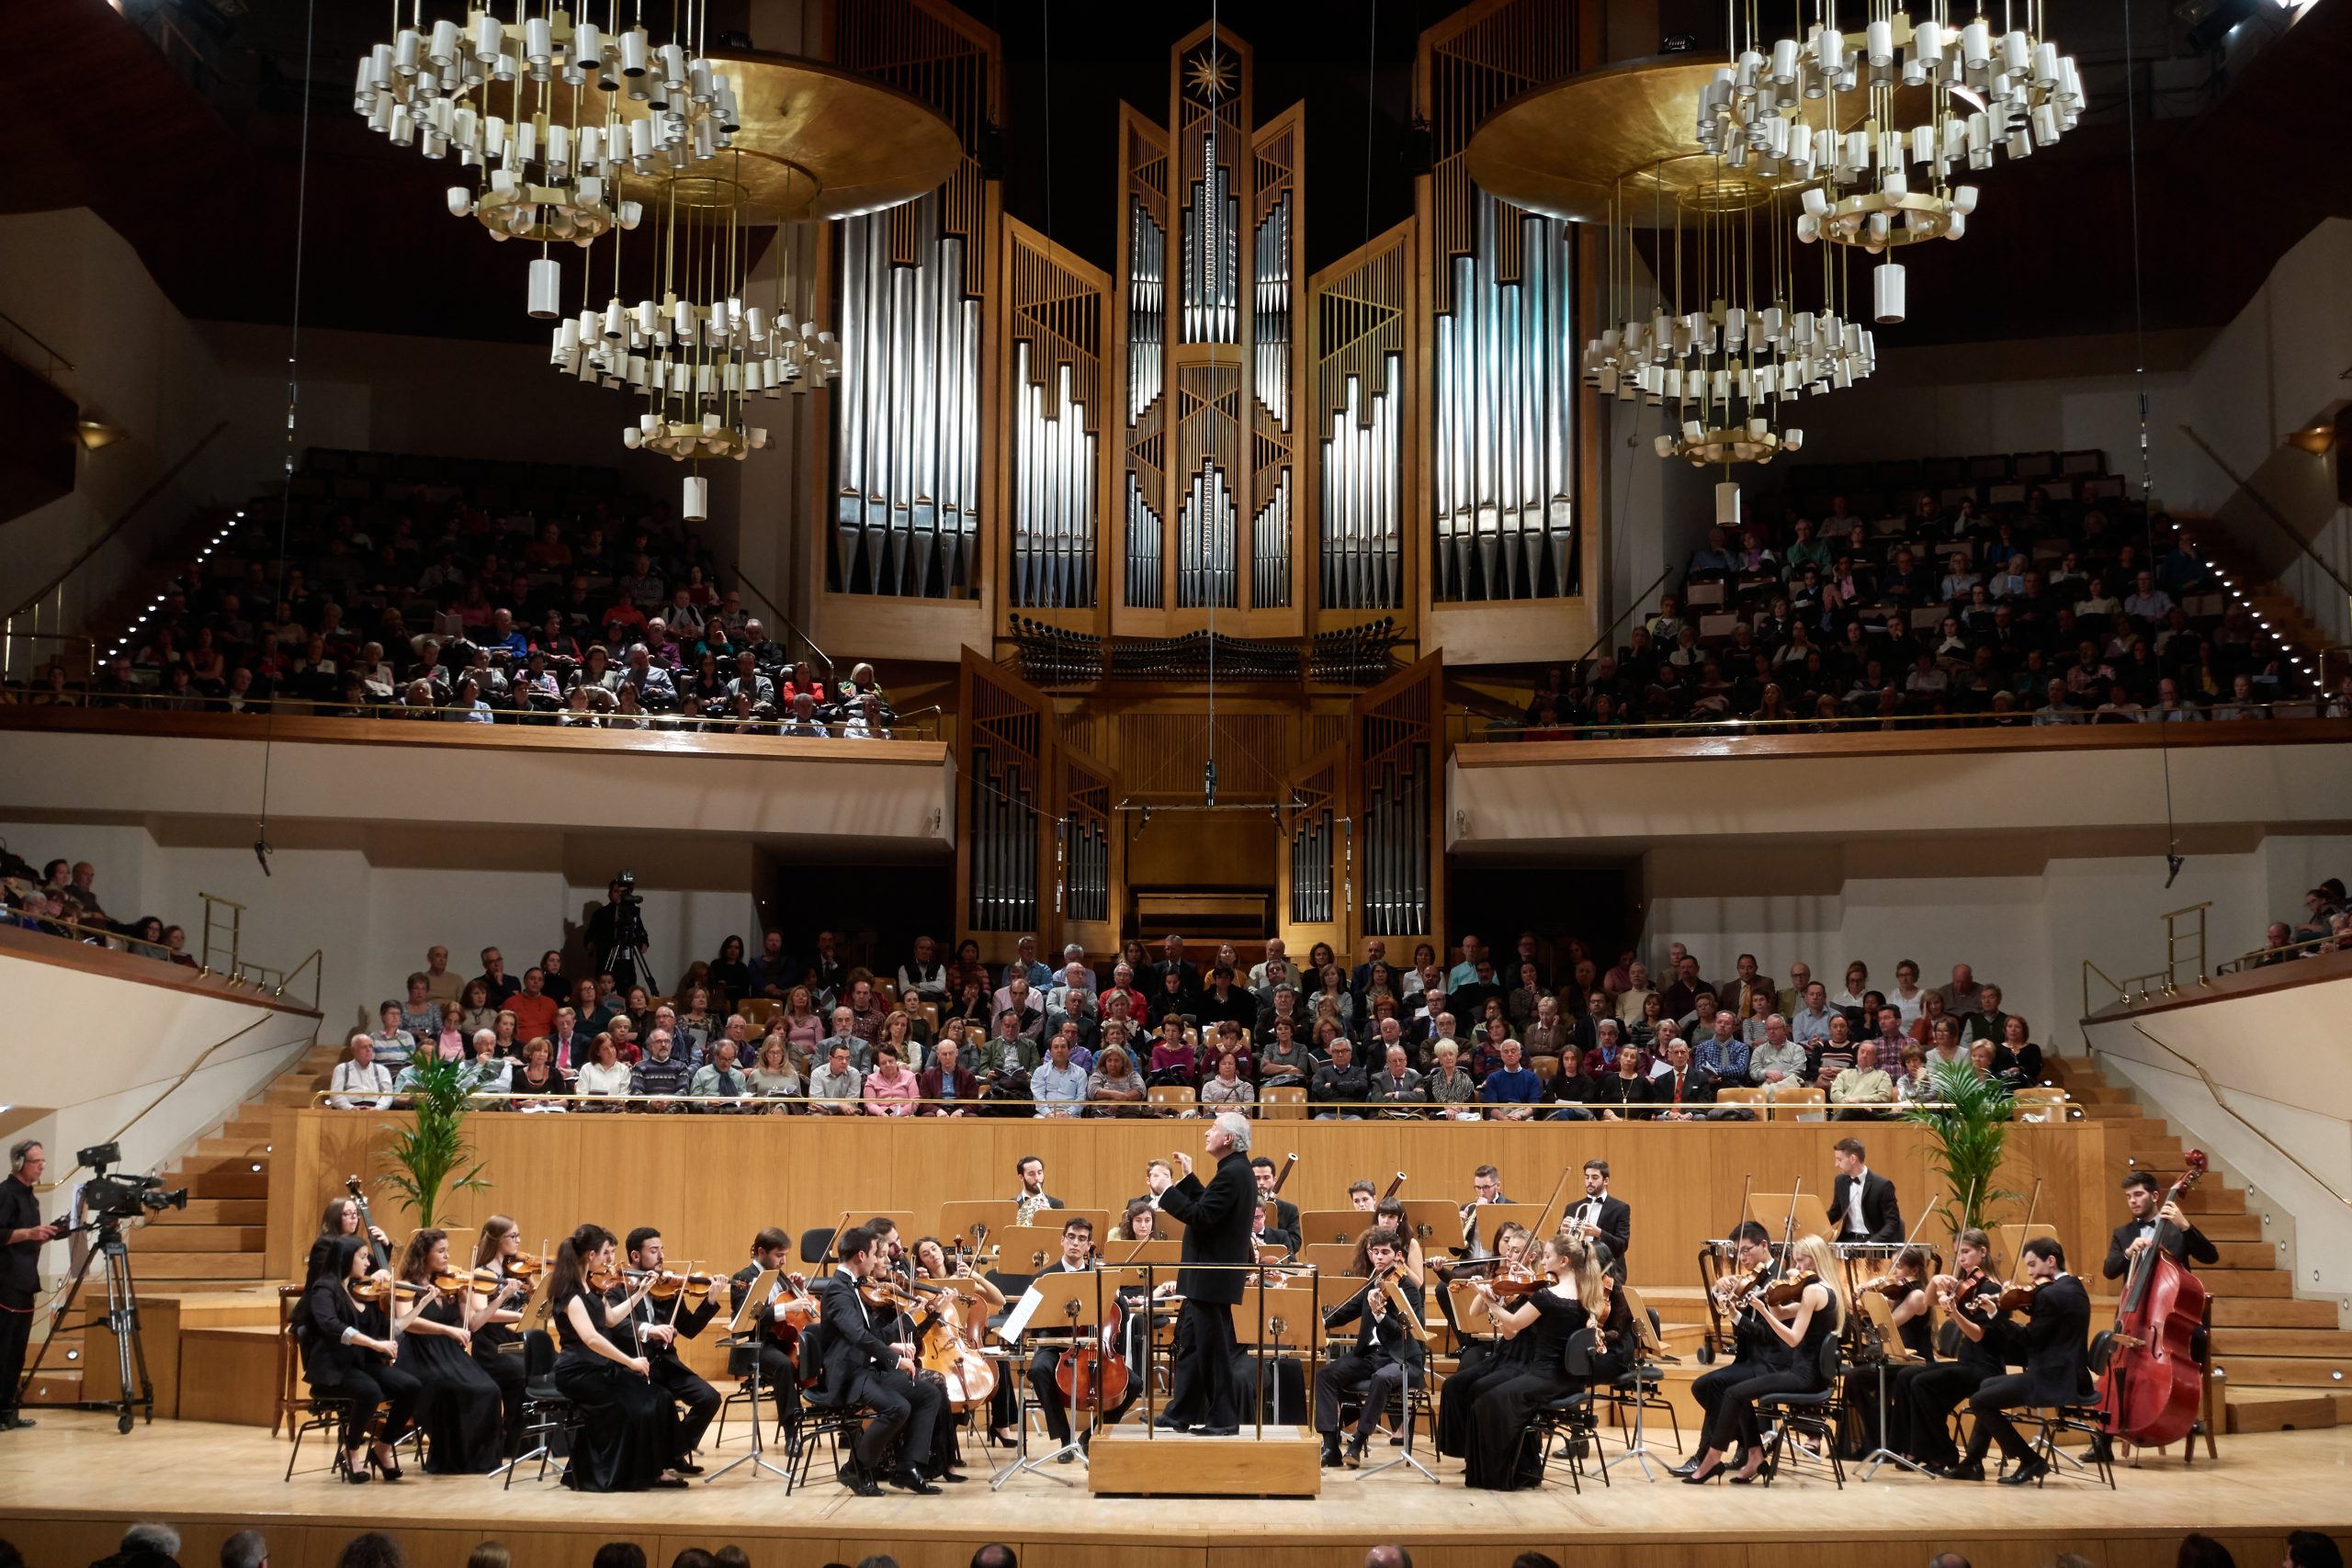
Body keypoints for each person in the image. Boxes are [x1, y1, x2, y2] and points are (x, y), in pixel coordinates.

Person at [1681, 1234, 1845, 1483]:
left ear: (1816, 1259)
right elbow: (1781, 1312)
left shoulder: (1813, 1290)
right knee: (1737, 1392)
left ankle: (1713, 1459)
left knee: (1733, 1393)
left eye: (1801, 1261)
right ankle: (1755, 1454)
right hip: (1809, 1374)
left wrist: (1762, 1312)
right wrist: (1769, 1299)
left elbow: (1793, 1339)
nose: (1796, 1267)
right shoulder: (1826, 1289)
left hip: (1803, 1376)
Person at [1454, 1234, 1611, 1489]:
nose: (1543, 1261)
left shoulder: (1547, 1297)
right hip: (1569, 1379)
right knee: (1496, 1396)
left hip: (1545, 1377)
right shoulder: (1586, 1295)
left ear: (1563, 1261)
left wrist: (1488, 1301)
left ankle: (1507, 1475)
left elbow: (1514, 1324)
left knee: (1488, 1402)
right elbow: (1512, 1331)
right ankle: (1525, 1469)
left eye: (1547, 1257)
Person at [548, 1223, 688, 1490]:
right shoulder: (569, 1295)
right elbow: (591, 1338)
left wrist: (640, 1293)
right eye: (607, 1253)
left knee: (659, 1398)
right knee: (634, 1407)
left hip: (597, 1367)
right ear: (591, 1256)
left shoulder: (591, 1289)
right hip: (578, 1372)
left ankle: (654, 1470)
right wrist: (629, 1362)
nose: (611, 1260)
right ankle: (625, 1474)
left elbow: (611, 1319)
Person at [811, 1223, 947, 1495]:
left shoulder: (852, 1288)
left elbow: (873, 1334)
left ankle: (907, 1468)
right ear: (861, 1256)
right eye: (875, 1254)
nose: (877, 1260)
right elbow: (859, 1337)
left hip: (865, 1370)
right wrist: (896, 1361)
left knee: (927, 1394)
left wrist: (910, 1319)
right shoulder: (838, 1292)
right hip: (849, 1375)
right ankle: (855, 1469)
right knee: (897, 1407)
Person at [1950, 1237, 2091, 1484]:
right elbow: (2051, 1317)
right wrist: (2019, 1305)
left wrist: (1996, 1315)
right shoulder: (2074, 1287)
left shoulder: (2050, 1295)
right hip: (2073, 1373)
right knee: (1987, 1387)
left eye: (2033, 1265)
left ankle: (2030, 1460)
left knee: (1980, 1401)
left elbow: (2028, 1341)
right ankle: (1973, 1460)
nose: (2030, 1273)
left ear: (2051, 1260)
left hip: (2054, 1378)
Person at [1153, 1111, 1259, 1436]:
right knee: (1194, 1346)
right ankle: (1180, 1412)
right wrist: (1187, 1179)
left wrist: (1167, 1191)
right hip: (1208, 1276)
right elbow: (1212, 1208)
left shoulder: (1233, 1173)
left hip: (1212, 1277)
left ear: (1228, 1138)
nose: (1206, 1133)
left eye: (1213, 1128)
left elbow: (1201, 1217)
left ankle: (1224, 1419)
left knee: (1212, 1350)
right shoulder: (1234, 1170)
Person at [296, 1234, 422, 1482]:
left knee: (411, 1386)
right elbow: (331, 1325)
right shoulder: (325, 1288)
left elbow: (388, 1329)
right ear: (345, 1259)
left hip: (361, 1364)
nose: (368, 1263)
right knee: (371, 1392)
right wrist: (374, 1343)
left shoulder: (362, 1290)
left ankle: (382, 1448)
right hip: (332, 1368)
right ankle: (351, 1451)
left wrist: (421, 1303)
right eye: (362, 1257)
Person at [609, 1226, 724, 1473]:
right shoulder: (617, 1288)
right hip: (633, 1367)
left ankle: (673, 1452)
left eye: (662, 1249)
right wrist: (648, 1329)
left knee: (710, 1398)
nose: (661, 1256)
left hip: (667, 1366)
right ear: (635, 1256)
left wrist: (711, 1300)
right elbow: (615, 1327)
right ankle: (667, 1456)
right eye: (654, 1250)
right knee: (661, 1405)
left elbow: (690, 1328)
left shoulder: (669, 1288)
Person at [393, 1228, 504, 1473]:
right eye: (441, 1251)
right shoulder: (406, 1285)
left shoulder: (453, 1284)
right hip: (418, 1352)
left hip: (448, 1353)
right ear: (424, 1254)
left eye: (447, 1251)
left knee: (489, 1389)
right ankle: (451, 1458)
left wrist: (499, 1297)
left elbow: (473, 1323)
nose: (447, 1257)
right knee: (451, 1390)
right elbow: (406, 1322)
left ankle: (479, 1459)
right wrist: (447, 1330)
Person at [1314, 1225, 1426, 1468]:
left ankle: (1357, 1442)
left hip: (1401, 1359)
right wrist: (1320, 1322)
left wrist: (1380, 1315)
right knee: (1325, 1375)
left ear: (1398, 1256)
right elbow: (1346, 1311)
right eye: (1374, 1252)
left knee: (1381, 1378)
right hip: (1370, 1356)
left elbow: (1405, 1332)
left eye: (1385, 1252)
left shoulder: (1407, 1289)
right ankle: (1330, 1445)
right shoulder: (1373, 1283)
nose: (1378, 1257)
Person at [1901, 1227, 2007, 1472]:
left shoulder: (1990, 1288)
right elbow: (1928, 1301)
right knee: (1911, 1376)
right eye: (1958, 1253)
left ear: (1983, 1252)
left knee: (1922, 1383)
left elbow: (1978, 1335)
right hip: (1967, 1363)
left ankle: (1944, 1454)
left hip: (1985, 1367)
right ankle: (1924, 1450)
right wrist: (1936, 1280)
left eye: (1966, 1252)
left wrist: (1955, 1313)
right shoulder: (1965, 1284)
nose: (1961, 1258)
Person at [728, 1226, 810, 1437]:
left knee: (812, 1355)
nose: (783, 1261)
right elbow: (750, 1315)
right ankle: (791, 1432)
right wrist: (786, 1308)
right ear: (761, 1252)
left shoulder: (781, 1276)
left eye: (785, 1256)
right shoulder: (743, 1278)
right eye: (779, 1255)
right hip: (753, 1344)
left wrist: (798, 1290)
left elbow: (793, 1314)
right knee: (784, 1365)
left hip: (780, 1342)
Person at [468, 1215, 537, 1454]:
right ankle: (511, 1443)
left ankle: (530, 1440)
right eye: (513, 1236)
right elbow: (480, 1315)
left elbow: (537, 1302)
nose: (518, 1240)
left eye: (518, 1235)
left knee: (545, 1365)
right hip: (491, 1342)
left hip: (514, 1338)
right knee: (520, 1373)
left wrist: (531, 1281)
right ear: (497, 1240)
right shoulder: (482, 1273)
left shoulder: (514, 1269)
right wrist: (508, 1301)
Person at [1, 1141, 57, 1430]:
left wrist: (40, 1235)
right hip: (5, 1283)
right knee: (2, 1348)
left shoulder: (31, 1198)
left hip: (25, 1281)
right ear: (19, 1162)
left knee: (17, 1351)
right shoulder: (5, 1193)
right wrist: (28, 1233)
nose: (41, 1166)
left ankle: (8, 1411)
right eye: (36, 1161)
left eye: (43, 1161)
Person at [2104, 1169, 2220, 1280]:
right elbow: (2109, 1272)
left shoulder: (2178, 1227)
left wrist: (2186, 1227)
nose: (2132, 1201)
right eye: (2128, 1196)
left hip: (2171, 1298)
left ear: (2155, 1196)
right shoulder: (2122, 1233)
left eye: (2138, 1194)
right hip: (2137, 1300)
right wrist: (2128, 1253)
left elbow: (2210, 1257)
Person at [1564, 1159, 1631, 1279]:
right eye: (1587, 1177)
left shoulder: (1620, 1208)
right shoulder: (1572, 1207)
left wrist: (1599, 1233)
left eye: (1594, 1177)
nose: (1589, 1181)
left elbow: (1622, 1245)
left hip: (1607, 1270)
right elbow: (1562, 1246)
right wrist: (1562, 1232)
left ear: (1606, 1181)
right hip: (1577, 1269)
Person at [1830, 1137, 1903, 1245]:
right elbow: (1836, 1212)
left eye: (1839, 1159)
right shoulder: (1840, 1181)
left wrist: (1872, 1242)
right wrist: (1814, 1225)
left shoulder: (1882, 1185)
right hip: (1847, 1241)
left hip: (1873, 1241)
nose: (1836, 1164)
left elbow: (1892, 1222)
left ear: (1853, 1159)